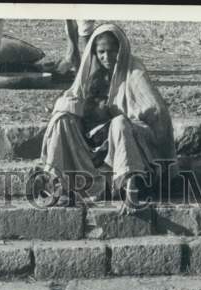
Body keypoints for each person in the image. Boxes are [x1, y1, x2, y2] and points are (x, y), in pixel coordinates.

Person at [39, 23, 175, 207]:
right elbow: (73, 97)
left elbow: (155, 113)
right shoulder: (90, 71)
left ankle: (130, 185)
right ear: (94, 52)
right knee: (62, 118)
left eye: (111, 51)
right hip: (95, 146)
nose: (106, 57)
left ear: (120, 49)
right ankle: (59, 184)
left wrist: (117, 117)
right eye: (101, 51)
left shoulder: (134, 70)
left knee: (120, 124)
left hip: (129, 145)